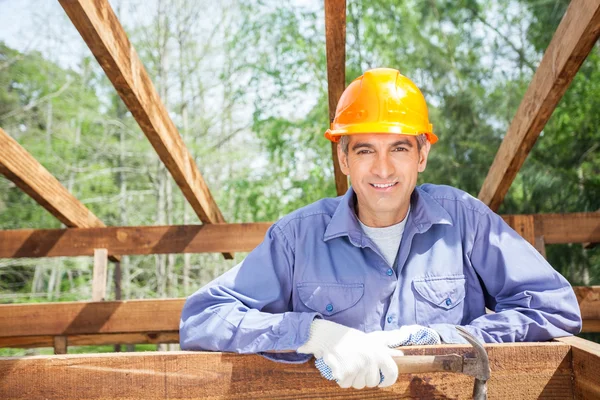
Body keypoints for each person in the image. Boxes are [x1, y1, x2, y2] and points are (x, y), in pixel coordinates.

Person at [179, 68, 582, 389]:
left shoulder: (463, 219)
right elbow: (202, 318)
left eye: (399, 148)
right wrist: (315, 334)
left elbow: (554, 306)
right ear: (343, 159)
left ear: (422, 154)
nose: (383, 168)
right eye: (365, 150)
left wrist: (444, 338)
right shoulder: (296, 237)